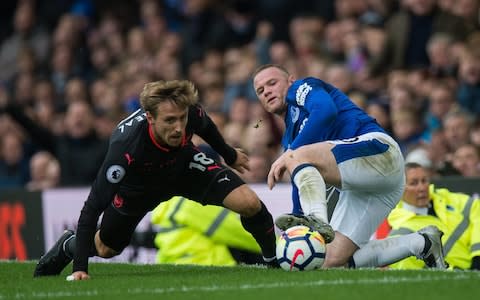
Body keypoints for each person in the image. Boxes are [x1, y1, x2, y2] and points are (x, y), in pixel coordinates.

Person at [33, 80, 277, 280]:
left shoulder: (188, 111)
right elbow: (92, 208)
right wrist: (80, 269)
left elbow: (206, 127)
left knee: (249, 202)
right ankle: (68, 246)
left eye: (181, 119)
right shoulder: (125, 147)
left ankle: (273, 263)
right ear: (150, 118)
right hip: (139, 189)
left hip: (184, 167)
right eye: (170, 121)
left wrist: (229, 154)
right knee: (107, 248)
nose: (179, 127)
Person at [252, 64, 447, 269]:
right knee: (328, 260)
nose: (267, 91)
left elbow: (325, 111)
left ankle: (316, 218)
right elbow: (297, 176)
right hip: (370, 184)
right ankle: (422, 243)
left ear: (290, 80)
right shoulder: (290, 136)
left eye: (272, 83)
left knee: (296, 156)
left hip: (378, 151)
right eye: (260, 91)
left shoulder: (302, 87)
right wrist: (297, 215)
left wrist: (291, 154)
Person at [388, 162, 480, 270]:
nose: (422, 187)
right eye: (414, 183)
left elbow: (477, 209)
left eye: (424, 181)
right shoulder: (401, 234)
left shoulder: (445, 197)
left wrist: (478, 256)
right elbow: (416, 274)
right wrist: (457, 272)